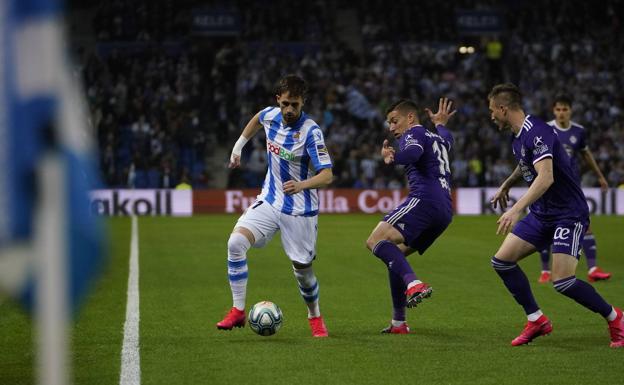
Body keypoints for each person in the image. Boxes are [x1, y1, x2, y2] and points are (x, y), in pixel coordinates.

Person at [487, 83, 623, 347]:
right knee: (501, 262)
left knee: (562, 281)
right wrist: (507, 183)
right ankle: (536, 319)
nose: (491, 115)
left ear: (503, 109)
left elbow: (546, 177)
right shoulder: (519, 136)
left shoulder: (537, 131)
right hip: (542, 214)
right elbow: (526, 165)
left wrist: (515, 209)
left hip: (568, 214)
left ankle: (615, 316)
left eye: (492, 110)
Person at [216, 74, 333, 337]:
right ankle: (237, 311)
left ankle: (314, 315)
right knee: (235, 244)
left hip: (300, 209)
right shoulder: (271, 115)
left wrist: (301, 185)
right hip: (270, 200)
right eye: (286, 104)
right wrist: (238, 147)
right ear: (278, 100)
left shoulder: (311, 132)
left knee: (303, 272)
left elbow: (327, 174)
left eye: (295, 105)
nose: (289, 110)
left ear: (303, 103)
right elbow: (258, 118)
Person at [365, 98, 456, 334]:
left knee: (375, 241)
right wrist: (441, 124)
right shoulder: (438, 138)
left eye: (395, 121)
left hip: (424, 200)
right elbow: (449, 140)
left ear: (410, 118)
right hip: (445, 210)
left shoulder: (414, 133)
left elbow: (413, 153)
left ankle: (414, 284)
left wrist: (393, 157)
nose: (392, 128)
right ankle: (398, 323)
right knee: (396, 257)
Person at [536, 94, 611, 283]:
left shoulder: (579, 131)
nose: (561, 113)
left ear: (570, 111)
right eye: (558, 109)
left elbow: (586, 155)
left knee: (585, 222)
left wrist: (600, 176)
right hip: (549, 185)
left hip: (571, 186)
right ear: (554, 111)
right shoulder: (545, 129)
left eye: (565, 109)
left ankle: (593, 268)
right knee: (546, 224)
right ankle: (545, 271)